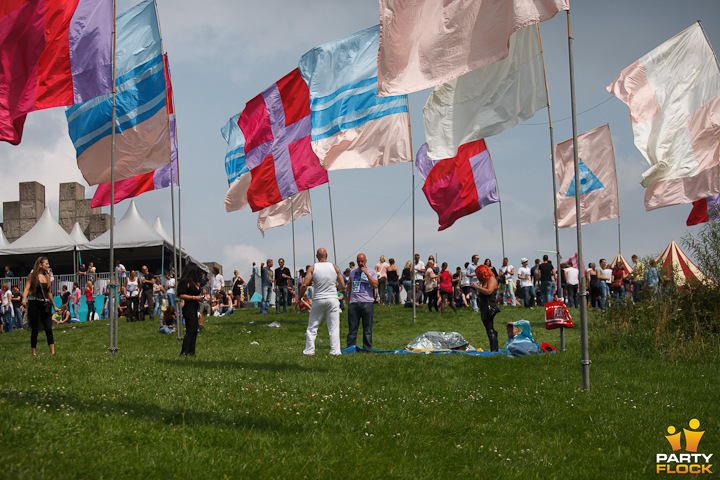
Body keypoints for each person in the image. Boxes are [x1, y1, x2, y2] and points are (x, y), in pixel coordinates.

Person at [299, 248, 345, 356]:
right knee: (334, 327)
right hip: (332, 299)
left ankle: (309, 350)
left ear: (316, 256)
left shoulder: (313, 267)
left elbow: (305, 285)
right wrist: (335, 289)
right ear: (327, 255)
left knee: (312, 326)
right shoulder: (334, 267)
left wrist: (300, 297)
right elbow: (342, 285)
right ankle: (335, 351)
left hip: (318, 299)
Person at [21, 256, 57, 356]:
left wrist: (54, 306)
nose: (48, 265)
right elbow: (26, 289)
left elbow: (49, 293)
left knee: (48, 328)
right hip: (34, 304)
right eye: (46, 263)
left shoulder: (47, 277)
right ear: (40, 265)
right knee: (35, 329)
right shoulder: (32, 276)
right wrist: (23, 299)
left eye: (48, 264)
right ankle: (34, 352)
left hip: (45, 304)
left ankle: (52, 352)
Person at [346, 253, 378, 350]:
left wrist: (366, 274)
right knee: (352, 329)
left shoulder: (372, 272)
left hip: (367, 302)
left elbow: (375, 285)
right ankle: (350, 348)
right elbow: (350, 288)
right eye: (359, 261)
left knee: (367, 329)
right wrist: (348, 301)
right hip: (354, 303)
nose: (360, 263)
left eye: (362, 261)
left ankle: (367, 348)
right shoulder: (352, 272)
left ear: (366, 261)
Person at [178, 263, 203, 356]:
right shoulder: (186, 282)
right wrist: (195, 298)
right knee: (190, 330)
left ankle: (192, 351)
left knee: (194, 330)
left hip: (195, 308)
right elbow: (181, 295)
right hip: (188, 308)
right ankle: (184, 351)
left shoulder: (194, 282)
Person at [475, 263, 499, 352]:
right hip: (484, 307)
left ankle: (494, 349)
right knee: (488, 328)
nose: (478, 276)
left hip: (490, 307)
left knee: (490, 328)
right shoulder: (485, 282)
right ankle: (493, 348)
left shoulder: (491, 279)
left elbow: (489, 291)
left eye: (479, 274)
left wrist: (477, 287)